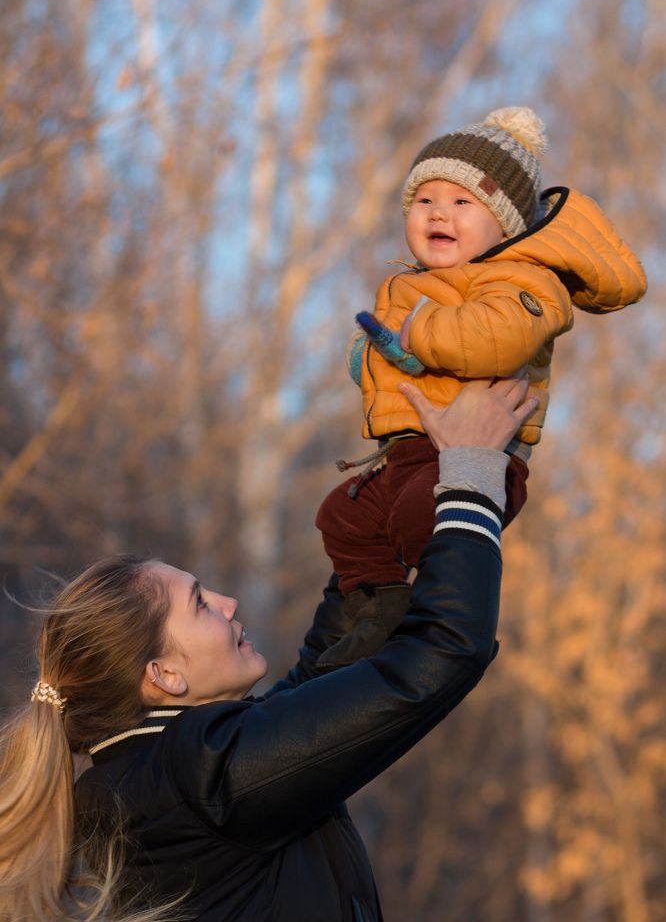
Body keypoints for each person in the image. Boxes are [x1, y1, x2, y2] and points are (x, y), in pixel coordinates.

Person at [0, 377, 536, 922]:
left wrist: (364, 561)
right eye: (201, 604)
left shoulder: (151, 779)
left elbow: (316, 695)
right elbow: (440, 656)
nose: (229, 603)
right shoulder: (198, 774)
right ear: (164, 674)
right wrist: (471, 474)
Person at [315, 106, 647, 667]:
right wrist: (368, 357)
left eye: (462, 203)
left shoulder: (525, 280)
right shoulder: (414, 283)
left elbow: (496, 341)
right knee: (340, 517)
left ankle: (444, 615)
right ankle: (380, 608)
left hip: (477, 459)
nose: (438, 213)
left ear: (505, 225)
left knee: (420, 517)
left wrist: (414, 331)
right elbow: (404, 360)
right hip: (404, 452)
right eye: (424, 201)